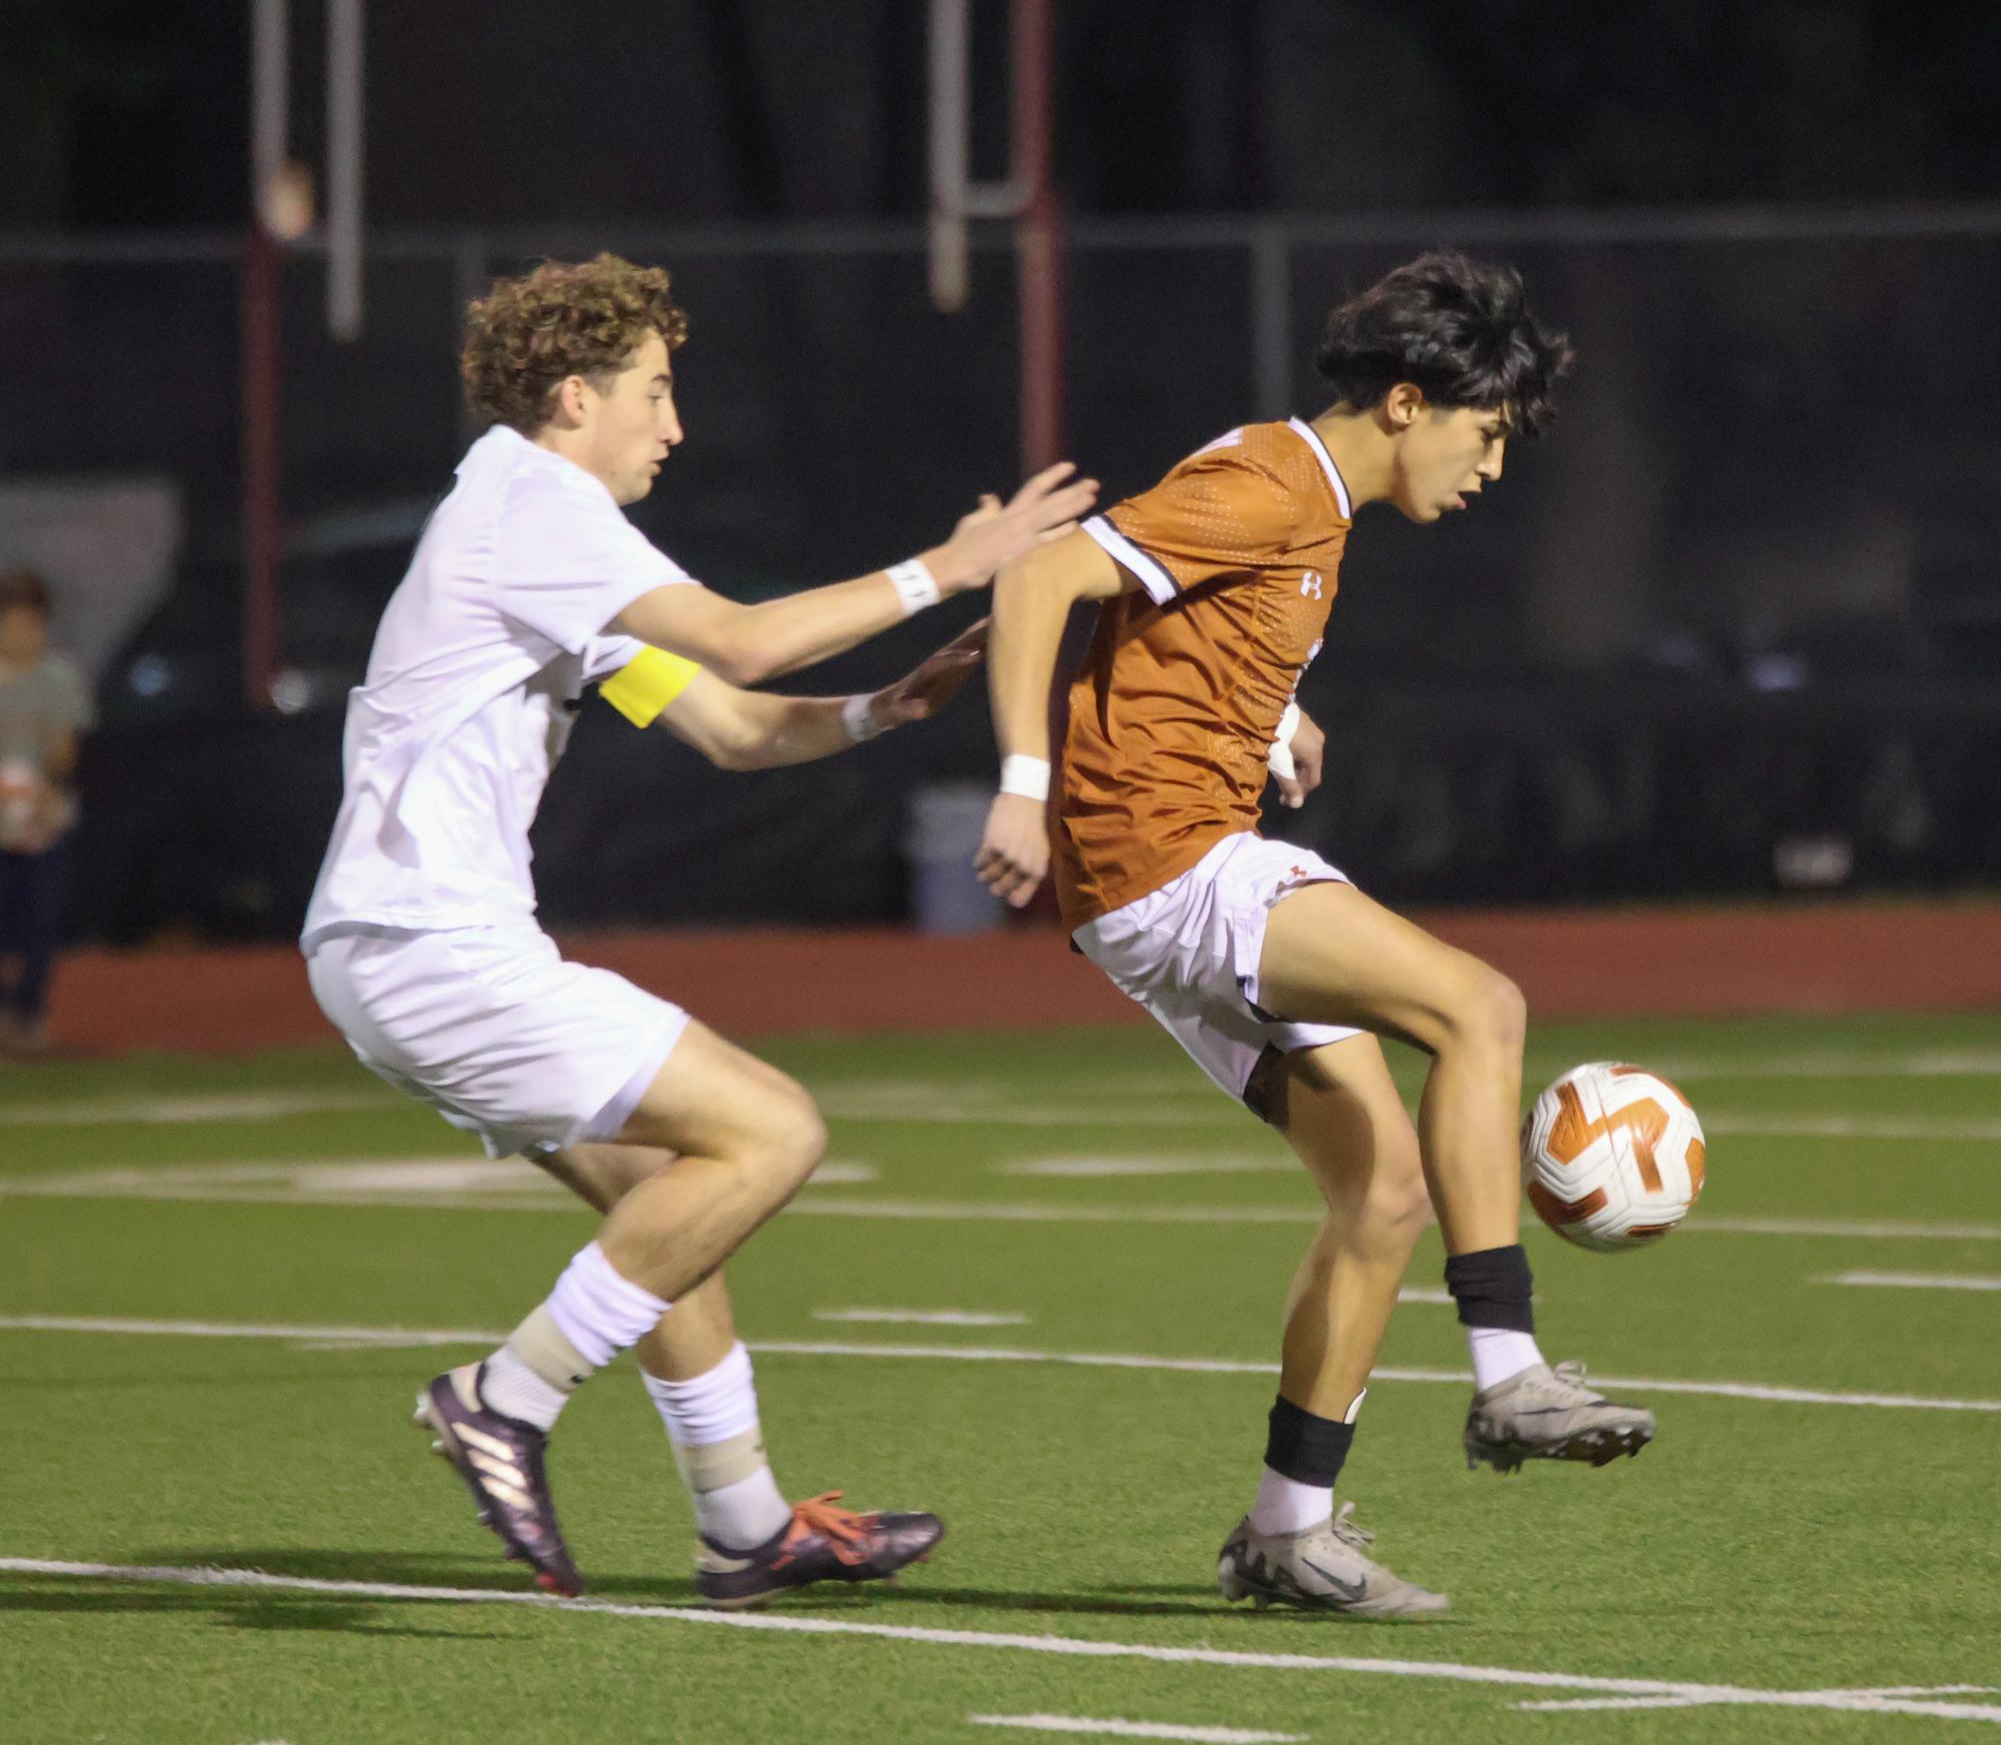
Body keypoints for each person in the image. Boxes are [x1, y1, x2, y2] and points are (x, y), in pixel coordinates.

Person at [301, 252, 1097, 1604]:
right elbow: (739, 642)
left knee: (669, 1197)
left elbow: (727, 727)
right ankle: (507, 1397)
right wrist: (945, 568)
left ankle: (742, 1523)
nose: (674, 426)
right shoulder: (532, 499)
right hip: (429, 942)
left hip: (407, 946)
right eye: (654, 393)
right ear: (571, 401)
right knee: (774, 1130)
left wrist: (882, 710)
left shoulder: (536, 542)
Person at [974, 250, 1651, 1620]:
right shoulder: (1278, 479)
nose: (1491, 469)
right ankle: (1508, 1371)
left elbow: (1174, 618)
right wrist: (1022, 785)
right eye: (1486, 432)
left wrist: (1269, 714)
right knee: (1481, 1006)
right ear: (1408, 402)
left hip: (1169, 870)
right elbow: (1043, 577)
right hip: (1165, 863)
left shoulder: (1303, 496)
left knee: (1382, 1186)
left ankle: (1287, 1526)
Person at [0, 569, 95, 1055]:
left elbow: (64, 755)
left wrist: (41, 786)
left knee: (40, 927)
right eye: (12, 623)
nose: (22, 634)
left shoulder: (56, 679)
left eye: (30, 623)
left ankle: (30, 1018)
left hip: (42, 822)